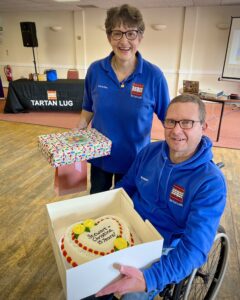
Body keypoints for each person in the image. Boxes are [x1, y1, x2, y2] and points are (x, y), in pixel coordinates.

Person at [95, 94, 227, 299]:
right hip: (128, 229)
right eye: (171, 121)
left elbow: (194, 248)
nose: (176, 130)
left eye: (187, 123)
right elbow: (125, 187)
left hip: (163, 247)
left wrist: (150, 278)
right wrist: (101, 209)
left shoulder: (211, 183)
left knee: (130, 296)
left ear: (204, 127)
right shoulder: (149, 152)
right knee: (89, 279)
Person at [77, 4, 170, 194]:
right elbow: (88, 107)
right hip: (100, 157)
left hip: (134, 161)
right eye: (117, 33)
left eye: (131, 33)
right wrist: (76, 133)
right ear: (109, 37)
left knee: (127, 209)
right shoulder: (95, 70)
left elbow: (168, 118)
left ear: (140, 37)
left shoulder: (154, 76)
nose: (124, 41)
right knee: (98, 204)